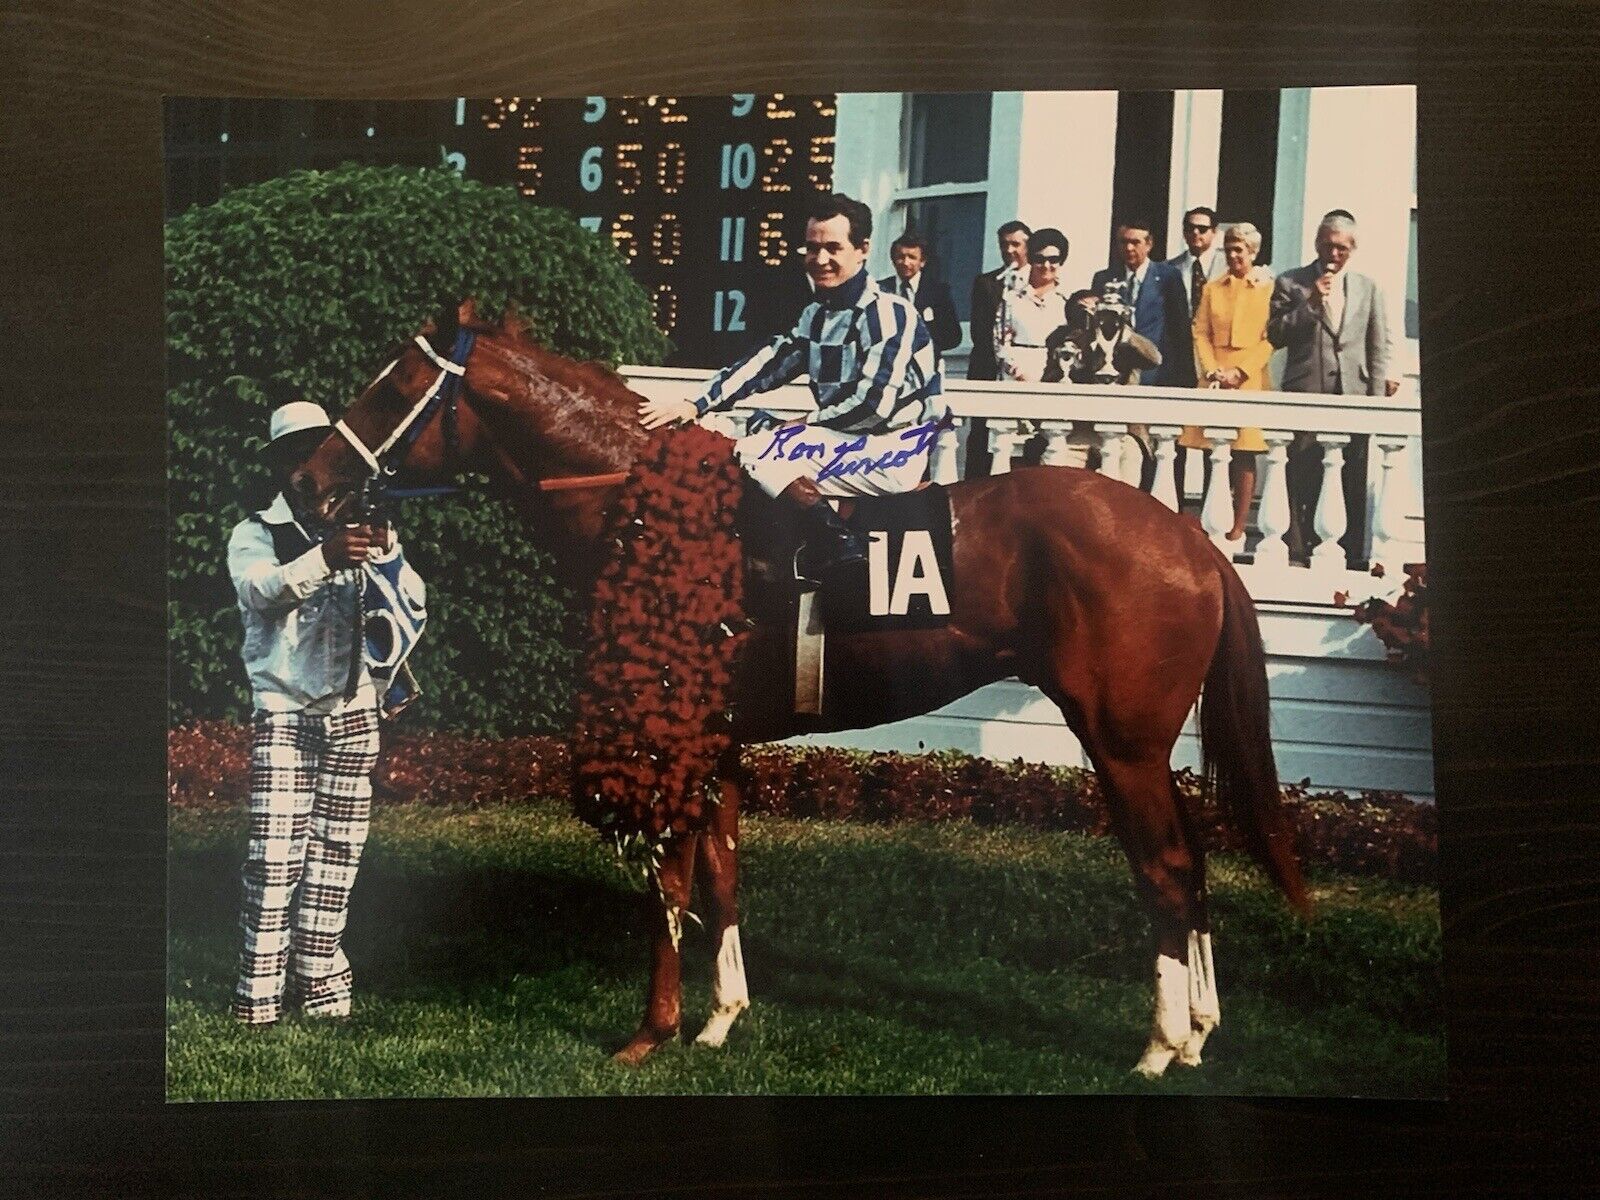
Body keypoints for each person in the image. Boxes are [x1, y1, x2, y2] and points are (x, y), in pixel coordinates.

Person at [227, 399, 423, 1025]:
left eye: (320, 447)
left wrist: (389, 559)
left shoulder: (362, 528)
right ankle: (257, 998)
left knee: (338, 857)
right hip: (286, 713)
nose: (309, 463)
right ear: (282, 465)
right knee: (275, 858)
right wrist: (326, 557)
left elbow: (414, 607)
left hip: (355, 711)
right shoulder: (257, 532)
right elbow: (261, 592)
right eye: (297, 453)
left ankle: (322, 991)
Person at [637, 193, 944, 579]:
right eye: (812, 248)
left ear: (863, 249)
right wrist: (697, 402)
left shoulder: (887, 313)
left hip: (894, 449)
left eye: (833, 248)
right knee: (758, 429)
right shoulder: (816, 314)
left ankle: (841, 543)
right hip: (854, 441)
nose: (820, 259)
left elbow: (873, 406)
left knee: (754, 452)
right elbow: (767, 364)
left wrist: (802, 423)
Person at [1268, 211, 1399, 562]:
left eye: (1341, 248)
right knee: (1302, 474)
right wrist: (1310, 303)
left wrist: (1374, 404)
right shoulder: (1290, 282)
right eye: (1327, 245)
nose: (1333, 254)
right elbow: (1275, 335)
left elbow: (1378, 345)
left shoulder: (1368, 288)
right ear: (1316, 243)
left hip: (1352, 394)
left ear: (1353, 249)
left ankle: (1351, 552)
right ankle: (1297, 550)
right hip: (1306, 391)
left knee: (1351, 477)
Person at [1184, 221, 1275, 544]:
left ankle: (1238, 525)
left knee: (1243, 452)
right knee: (1214, 447)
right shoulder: (1213, 288)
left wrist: (1241, 372)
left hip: (1248, 377)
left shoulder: (1266, 288)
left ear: (1253, 252)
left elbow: (1270, 339)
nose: (1234, 255)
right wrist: (1211, 369)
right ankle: (1213, 515)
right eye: (1229, 249)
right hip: (1215, 376)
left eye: (1240, 249)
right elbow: (1200, 331)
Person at [964, 220, 1032, 477]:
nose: (1009, 250)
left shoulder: (1036, 283)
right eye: (1004, 245)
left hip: (1022, 373)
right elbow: (979, 331)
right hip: (987, 369)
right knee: (980, 436)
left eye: (1016, 244)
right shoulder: (987, 282)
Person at [1090, 218, 1190, 386]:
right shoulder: (1104, 278)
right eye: (1124, 242)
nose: (1129, 248)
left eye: (1135, 242)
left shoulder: (1168, 277)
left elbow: (1179, 330)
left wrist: (1180, 377)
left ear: (1149, 244)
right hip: (1113, 371)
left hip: (1155, 372)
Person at [1165, 206, 1228, 389]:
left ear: (1214, 232)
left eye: (1202, 229)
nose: (1195, 233)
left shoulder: (1228, 266)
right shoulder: (1169, 269)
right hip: (1180, 356)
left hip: (1217, 353)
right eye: (1189, 228)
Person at [879, 231, 962, 355]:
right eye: (901, 257)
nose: (906, 263)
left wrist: (922, 347)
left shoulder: (938, 292)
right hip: (887, 363)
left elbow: (953, 336)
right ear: (893, 260)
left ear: (922, 261)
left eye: (912, 257)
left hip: (925, 364)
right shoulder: (880, 290)